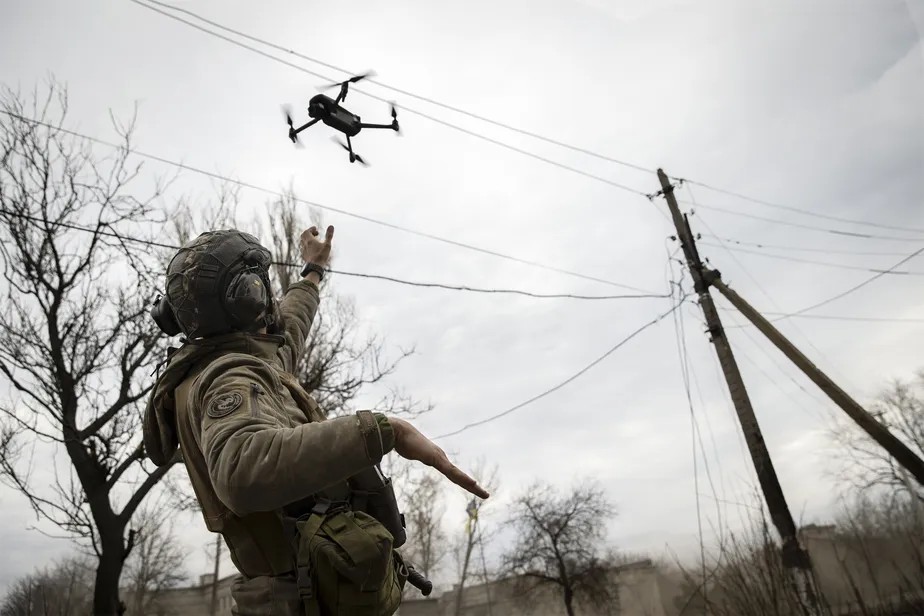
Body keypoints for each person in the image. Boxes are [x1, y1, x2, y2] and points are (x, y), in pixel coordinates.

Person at [142, 226, 488, 615]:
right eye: (260, 286)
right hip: (295, 599)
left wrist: (313, 271)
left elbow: (290, 330)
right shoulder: (231, 378)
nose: (268, 296)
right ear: (247, 298)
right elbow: (241, 468)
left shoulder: (237, 365)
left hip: (306, 590)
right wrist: (384, 430)